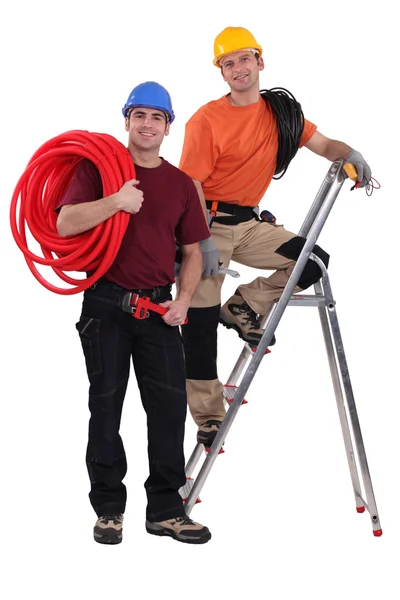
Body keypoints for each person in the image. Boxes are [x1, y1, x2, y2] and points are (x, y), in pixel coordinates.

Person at [178, 27, 372, 447]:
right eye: (227, 64)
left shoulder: (281, 115)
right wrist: (200, 240)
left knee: (312, 261)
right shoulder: (207, 120)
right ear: (222, 73)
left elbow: (323, 144)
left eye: (243, 59)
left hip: (249, 224)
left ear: (260, 61)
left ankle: (244, 303)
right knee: (197, 325)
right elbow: (189, 185)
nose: (237, 69)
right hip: (206, 221)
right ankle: (209, 417)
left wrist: (350, 154)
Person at [56, 81, 212, 545]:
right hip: (105, 304)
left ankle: (166, 510)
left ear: (168, 126)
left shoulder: (181, 184)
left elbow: (193, 251)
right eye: (139, 115)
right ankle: (108, 510)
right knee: (106, 408)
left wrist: (182, 301)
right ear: (126, 120)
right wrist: (117, 202)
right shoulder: (98, 170)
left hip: (158, 307)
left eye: (156, 117)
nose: (147, 124)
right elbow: (65, 222)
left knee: (168, 411)